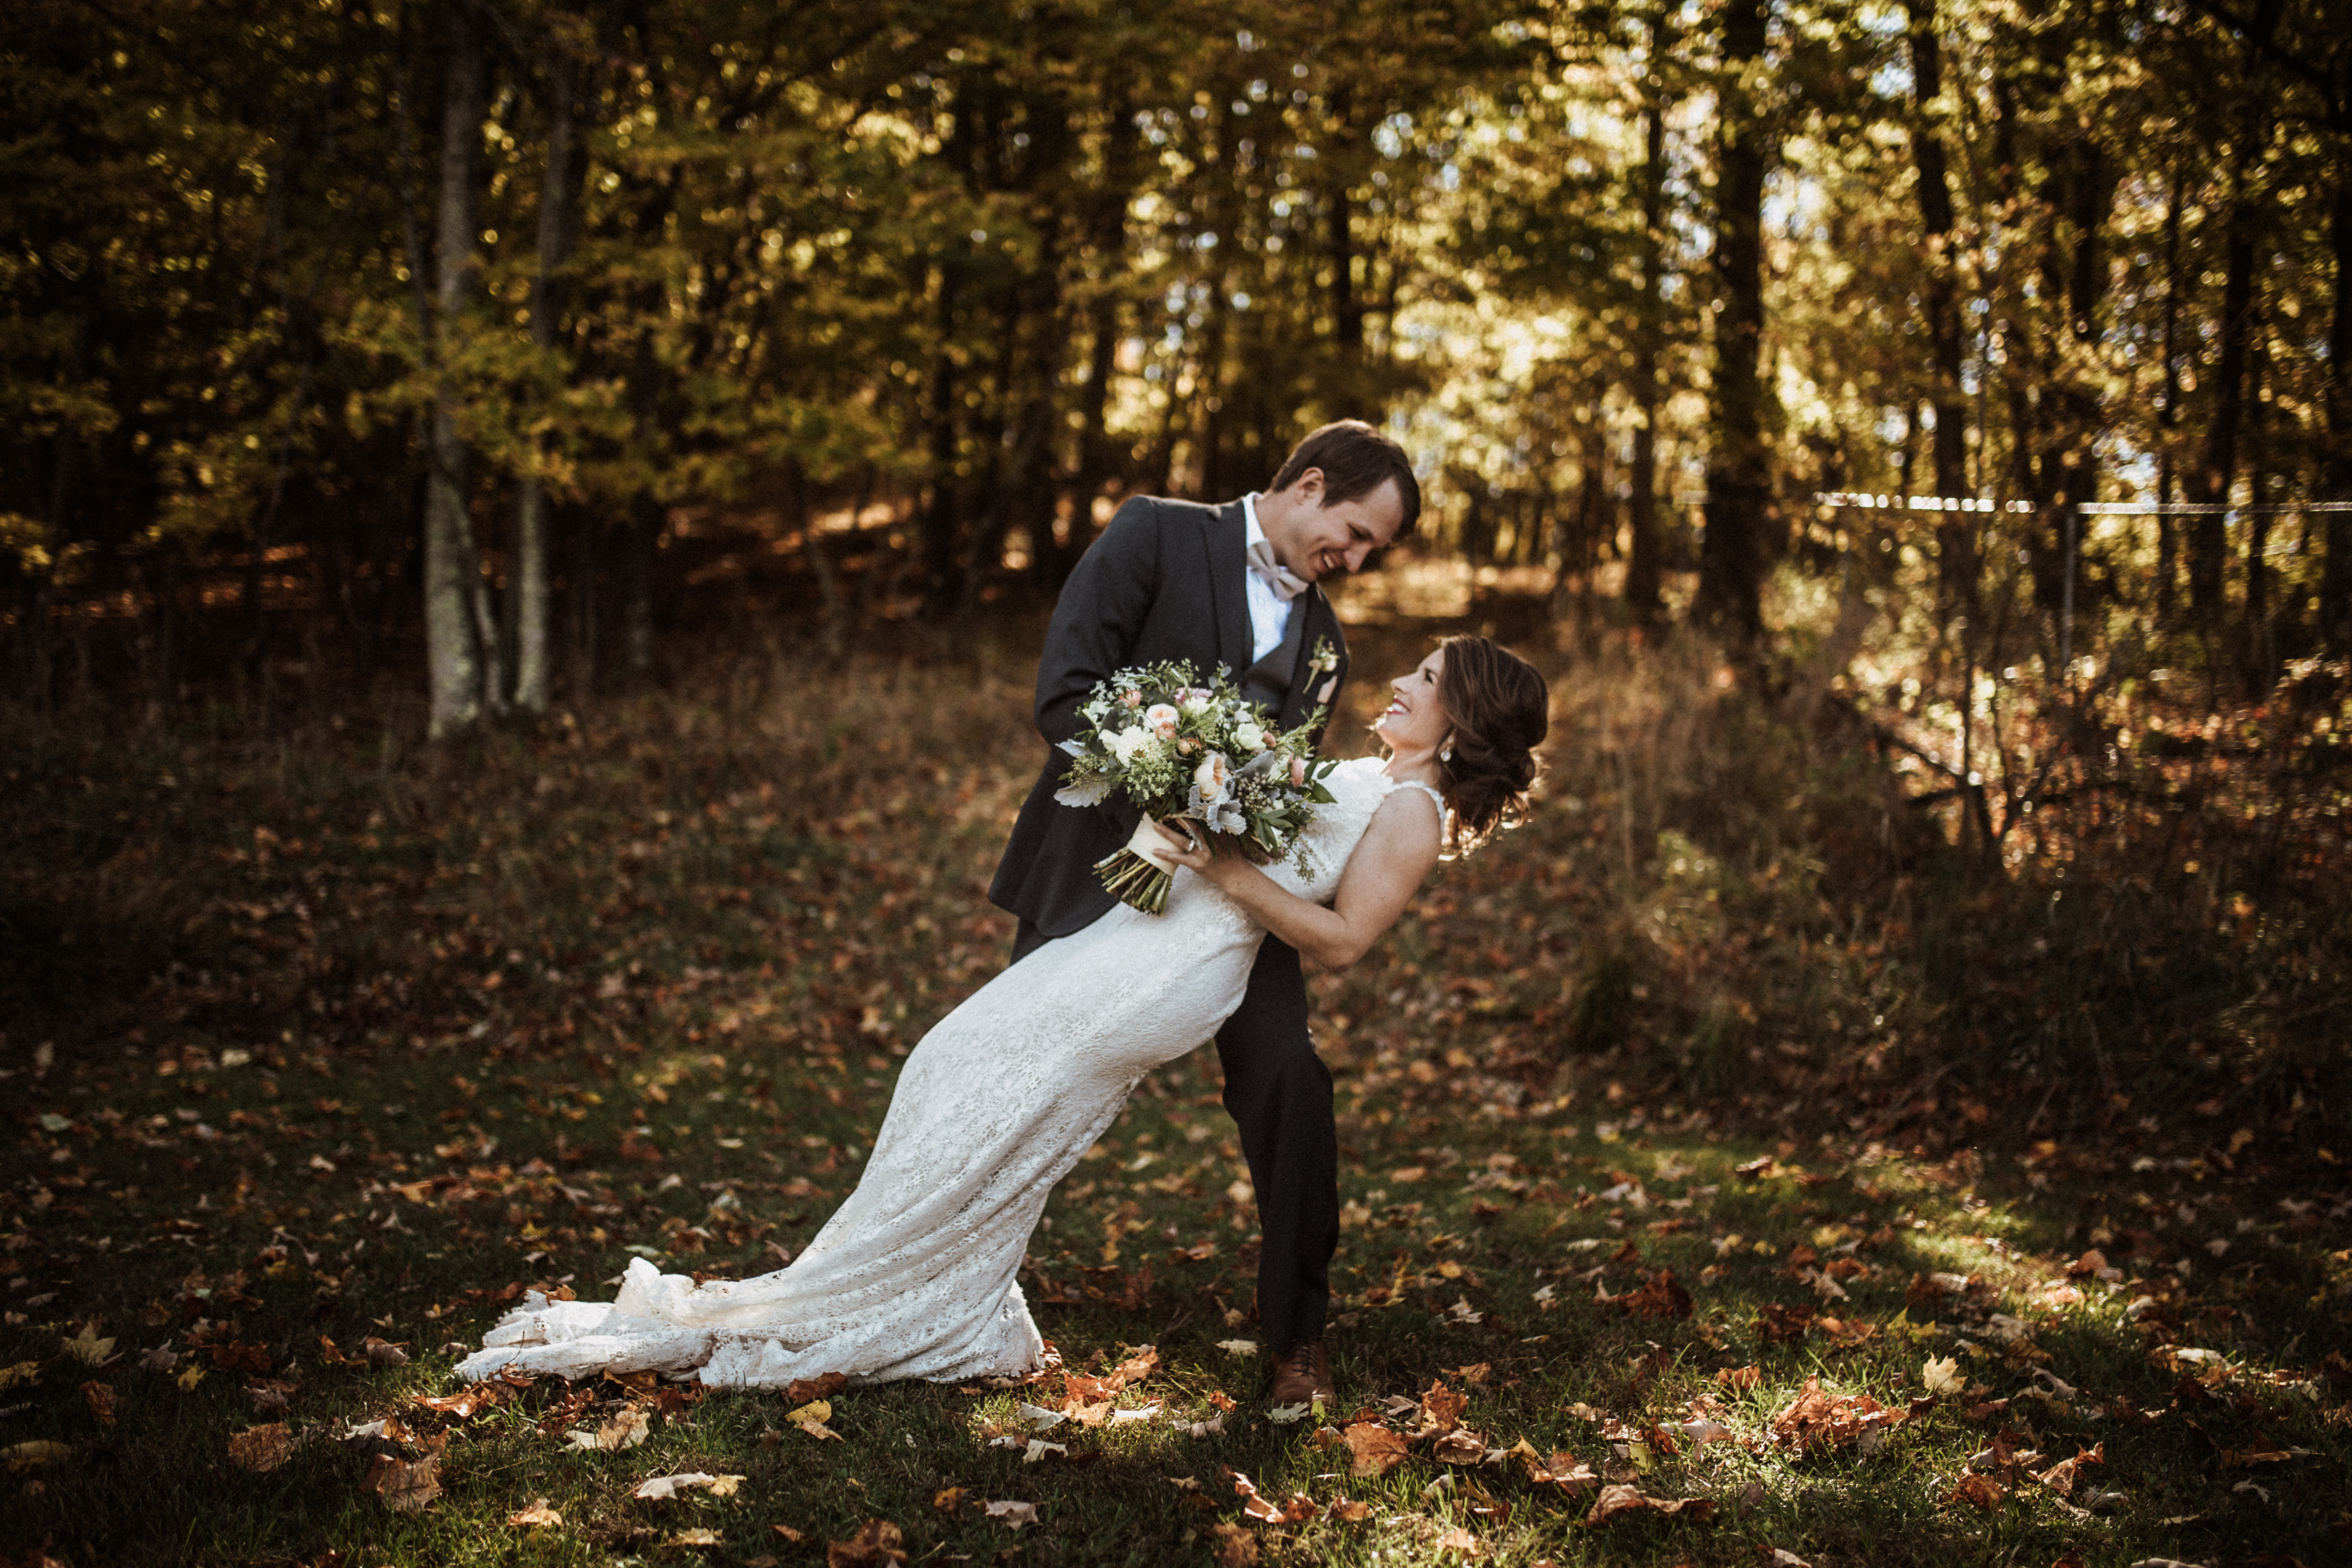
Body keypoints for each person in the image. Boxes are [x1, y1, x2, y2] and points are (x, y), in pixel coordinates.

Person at [987, 419, 1417, 1406]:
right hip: (1094, 868)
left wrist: (1249, 828)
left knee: (1289, 1081)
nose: (1353, 562)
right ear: (1308, 484)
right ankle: (956, 1278)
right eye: (1353, 534)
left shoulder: (1325, 646)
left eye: (1369, 553)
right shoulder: (1156, 535)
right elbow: (1067, 697)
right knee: (1012, 1073)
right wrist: (1176, 780)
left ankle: (1297, 1339)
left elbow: (1284, 780)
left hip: (1231, 903)